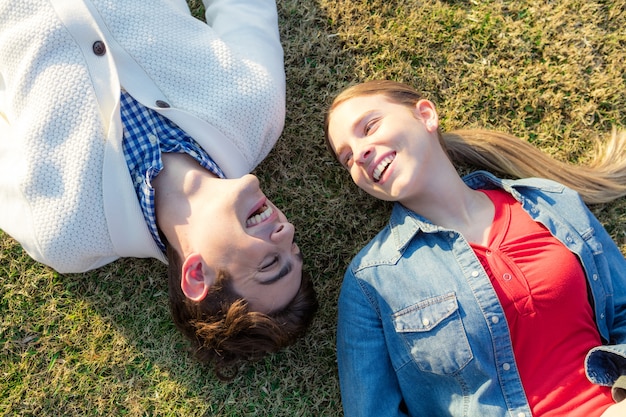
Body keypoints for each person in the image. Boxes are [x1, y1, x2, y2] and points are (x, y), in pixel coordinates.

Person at [0, 0, 317, 380]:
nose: (286, 232)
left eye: (269, 263)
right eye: (293, 250)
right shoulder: (257, 113)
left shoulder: (66, 232)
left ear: (197, 274)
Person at [324, 80, 626, 416]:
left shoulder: (550, 202)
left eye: (370, 126)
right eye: (347, 157)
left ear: (425, 115)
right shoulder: (371, 281)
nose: (360, 153)